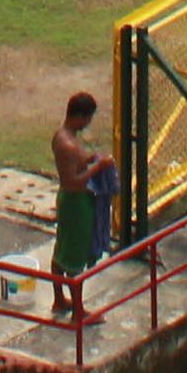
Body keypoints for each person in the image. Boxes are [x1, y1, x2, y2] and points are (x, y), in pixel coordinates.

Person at [49, 90, 115, 280]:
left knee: (62, 250)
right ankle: (75, 305)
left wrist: (90, 159)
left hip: (75, 200)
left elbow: (76, 165)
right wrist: (98, 167)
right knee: (73, 256)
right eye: (88, 118)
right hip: (75, 202)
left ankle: (60, 298)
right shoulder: (67, 145)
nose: (88, 123)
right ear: (79, 116)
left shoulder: (65, 136)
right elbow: (72, 182)